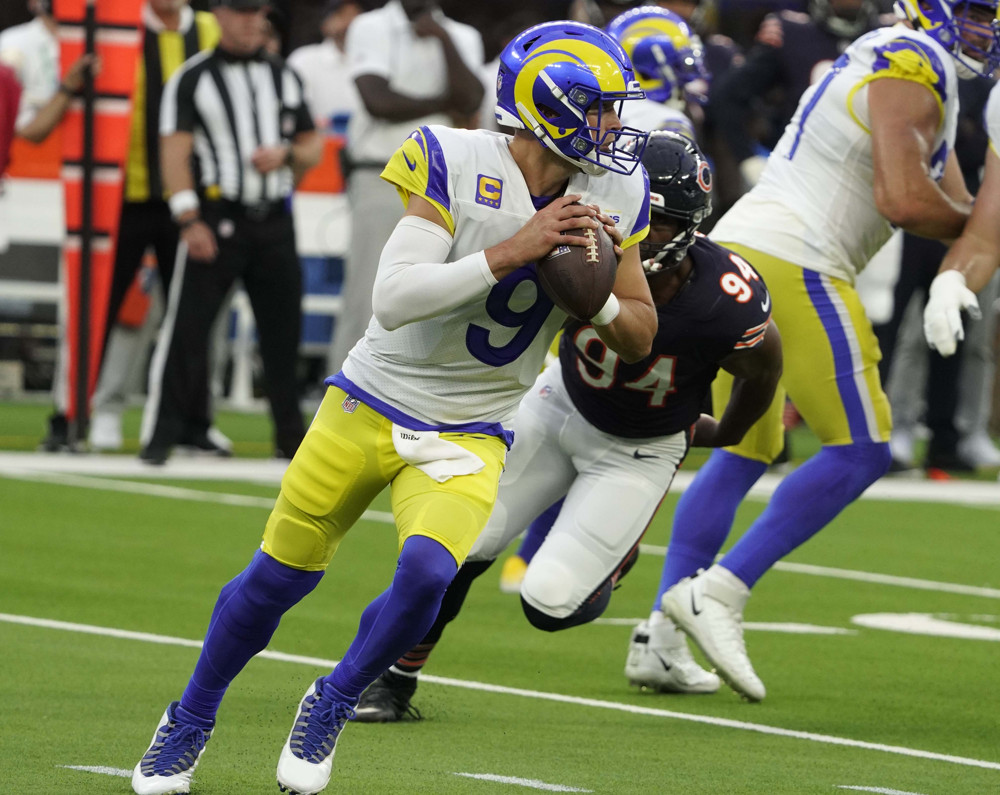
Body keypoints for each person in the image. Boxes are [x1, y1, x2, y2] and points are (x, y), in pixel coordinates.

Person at [130, 20, 656, 795]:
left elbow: (640, 333)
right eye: (602, 108)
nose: (617, 127)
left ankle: (333, 698)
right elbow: (396, 296)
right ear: (551, 105)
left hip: (474, 425)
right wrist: (516, 248)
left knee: (426, 574)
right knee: (277, 577)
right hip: (371, 398)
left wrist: (593, 298)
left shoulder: (613, 190)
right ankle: (190, 716)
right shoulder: (452, 156)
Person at [352, 132, 783, 722]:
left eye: (659, 220)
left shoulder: (723, 295)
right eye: (637, 210)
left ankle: (612, 561)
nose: (639, 226)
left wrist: (726, 430)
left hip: (639, 449)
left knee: (549, 603)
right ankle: (391, 682)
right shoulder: (573, 232)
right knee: (462, 547)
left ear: (689, 227)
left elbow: (763, 367)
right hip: (561, 403)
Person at [656, 0, 999, 703]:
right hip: (800, 259)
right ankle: (721, 588)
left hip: (744, 248)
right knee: (865, 446)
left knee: (743, 449)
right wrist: (989, 226)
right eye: (971, 10)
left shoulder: (902, 58)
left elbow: (958, 211)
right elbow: (906, 200)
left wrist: (981, 233)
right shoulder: (914, 61)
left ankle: (658, 641)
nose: (985, 27)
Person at [138, 0, 322, 465]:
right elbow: (174, 151)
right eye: (241, 11)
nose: (252, 20)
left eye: (257, 11)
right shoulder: (194, 76)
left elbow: (310, 144)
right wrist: (188, 218)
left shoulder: (284, 75)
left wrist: (286, 157)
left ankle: (291, 440)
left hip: (275, 220)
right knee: (188, 330)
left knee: (284, 335)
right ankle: (161, 435)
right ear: (218, 14)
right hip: (218, 219)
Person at [86, 0, 220, 453]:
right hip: (122, 194)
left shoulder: (209, 29)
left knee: (194, 315)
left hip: (192, 197)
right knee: (104, 308)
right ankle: (86, 410)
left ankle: (194, 423)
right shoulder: (117, 25)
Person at [327, 0, 484, 375]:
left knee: (443, 296)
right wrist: (445, 103)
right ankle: (343, 387)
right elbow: (377, 100)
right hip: (382, 171)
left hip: (446, 180)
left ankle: (415, 393)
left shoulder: (463, 35)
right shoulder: (371, 25)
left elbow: (473, 99)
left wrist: (443, 37)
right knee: (367, 291)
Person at [0, 0, 100, 450]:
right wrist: (67, 88)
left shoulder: (108, 42)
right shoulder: (12, 48)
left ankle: (76, 411)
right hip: (31, 185)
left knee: (82, 301)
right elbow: (27, 131)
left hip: (90, 189)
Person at [710, 0, 880, 189]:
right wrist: (748, 158)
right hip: (804, 173)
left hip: (875, 168)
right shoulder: (792, 32)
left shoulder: (892, 36)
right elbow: (728, 95)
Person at [607, 5, 711, 141]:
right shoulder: (670, 121)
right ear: (648, 73)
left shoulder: (603, 112)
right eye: (676, 67)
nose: (685, 79)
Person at [286, 0, 362, 134]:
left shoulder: (378, 61)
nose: (350, 22)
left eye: (356, 15)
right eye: (341, 15)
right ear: (325, 24)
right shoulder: (304, 60)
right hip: (320, 148)